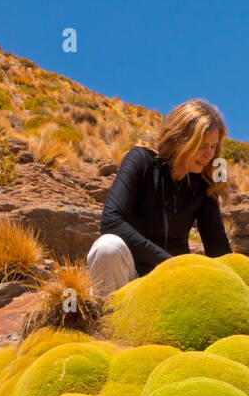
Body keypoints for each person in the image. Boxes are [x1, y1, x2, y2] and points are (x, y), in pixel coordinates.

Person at [86, 98, 233, 298]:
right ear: (181, 138)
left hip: (174, 285)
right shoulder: (141, 160)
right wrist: (169, 263)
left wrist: (240, 284)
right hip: (130, 279)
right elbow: (110, 221)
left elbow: (218, 247)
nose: (209, 154)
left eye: (214, 146)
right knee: (107, 247)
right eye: (202, 145)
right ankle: (106, 321)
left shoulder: (205, 182)